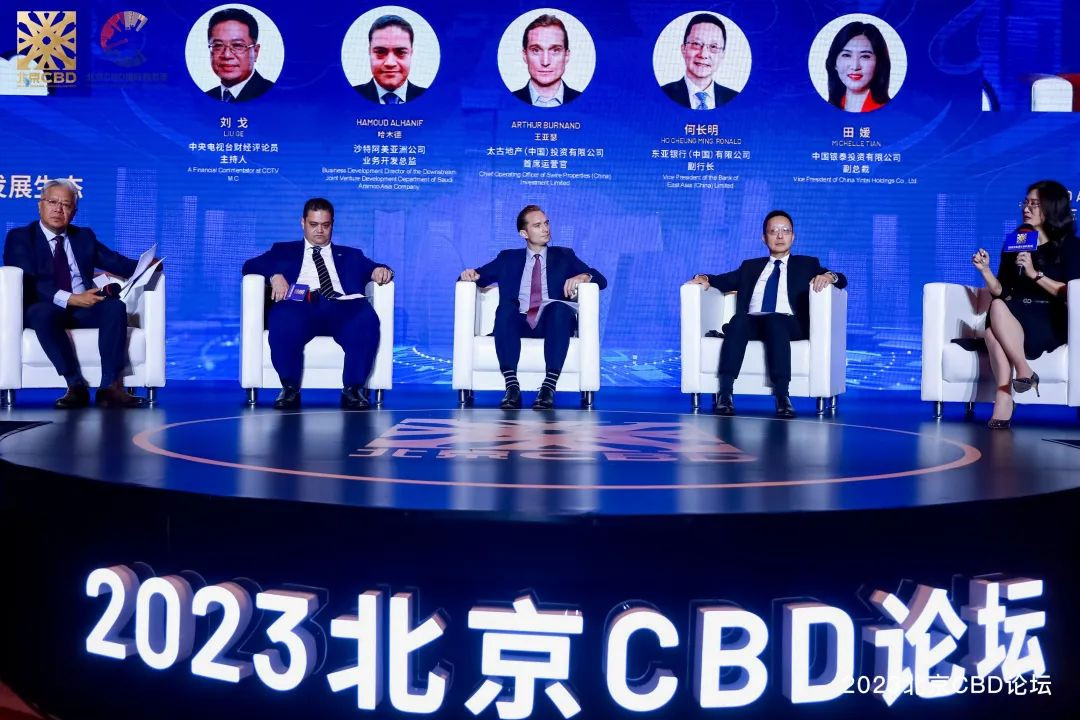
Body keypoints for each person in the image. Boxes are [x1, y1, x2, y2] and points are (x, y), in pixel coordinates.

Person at [2, 179, 147, 408]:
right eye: (52, 202)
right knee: (40, 312)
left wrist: (147, 265)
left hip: (84, 308)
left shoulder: (83, 237)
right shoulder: (20, 237)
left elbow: (115, 262)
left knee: (114, 306)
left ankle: (110, 387)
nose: (58, 209)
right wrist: (71, 298)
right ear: (40, 205)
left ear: (74, 212)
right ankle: (75, 385)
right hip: (46, 307)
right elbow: (28, 281)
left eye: (66, 205)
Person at [689, 210, 846, 418]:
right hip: (752, 323)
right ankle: (725, 394)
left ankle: (783, 396)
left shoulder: (807, 264)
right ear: (764, 238)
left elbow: (841, 279)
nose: (780, 236)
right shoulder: (750, 267)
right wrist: (702, 277)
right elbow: (721, 280)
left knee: (775, 320)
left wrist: (829, 276)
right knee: (738, 320)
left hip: (788, 325)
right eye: (773, 231)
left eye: (785, 231)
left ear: (793, 236)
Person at [242, 198, 393, 410]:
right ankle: (290, 388)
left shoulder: (351, 255)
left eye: (325, 225)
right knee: (282, 317)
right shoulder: (283, 250)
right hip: (300, 304)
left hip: (343, 306)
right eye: (313, 224)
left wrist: (381, 271)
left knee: (365, 318)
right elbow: (250, 265)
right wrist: (274, 275)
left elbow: (376, 268)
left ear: (332, 224)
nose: (319, 231)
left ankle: (353, 389)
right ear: (303, 222)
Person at [459, 205, 606, 409]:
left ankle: (548, 387)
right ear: (524, 233)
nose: (545, 229)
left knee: (559, 309)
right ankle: (512, 387)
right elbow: (477, 277)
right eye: (537, 225)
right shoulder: (507, 258)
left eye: (546, 223)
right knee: (506, 309)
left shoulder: (564, 256)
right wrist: (467, 275)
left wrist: (584, 276)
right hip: (518, 322)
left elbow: (601, 279)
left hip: (552, 323)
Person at [971, 180, 1080, 429]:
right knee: (998, 306)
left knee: (992, 332)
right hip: (1014, 313)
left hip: (1050, 316)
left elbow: (1071, 292)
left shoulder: (1071, 246)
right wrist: (985, 271)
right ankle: (1022, 374)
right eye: (1026, 203)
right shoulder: (1016, 241)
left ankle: (1006, 394)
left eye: (1034, 204)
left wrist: (1034, 274)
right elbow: (1002, 290)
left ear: (1051, 208)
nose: (1026, 208)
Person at [660, 14, 739, 109]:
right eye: (696, 44)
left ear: (722, 54)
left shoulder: (734, 98)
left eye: (713, 46)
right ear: (683, 49)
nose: (703, 54)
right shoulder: (662, 95)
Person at [353, 14, 428, 104]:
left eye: (401, 52)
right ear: (369, 52)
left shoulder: (430, 98)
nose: (390, 63)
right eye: (380, 52)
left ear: (411, 53)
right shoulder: (348, 97)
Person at [204, 7, 274, 102]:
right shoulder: (206, 97)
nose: (227, 55)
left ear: (255, 52)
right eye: (218, 45)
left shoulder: (273, 94)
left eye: (237, 45)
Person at [512, 14, 581, 107]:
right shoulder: (506, 102)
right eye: (536, 50)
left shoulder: (586, 102)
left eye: (555, 50)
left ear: (566, 56)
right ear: (525, 55)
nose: (545, 62)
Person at [824, 21, 891, 112]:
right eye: (846, 55)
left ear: (879, 63)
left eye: (865, 56)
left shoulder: (891, 111)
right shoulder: (825, 110)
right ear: (834, 63)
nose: (855, 66)